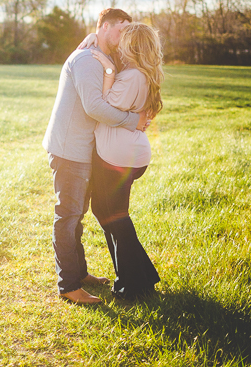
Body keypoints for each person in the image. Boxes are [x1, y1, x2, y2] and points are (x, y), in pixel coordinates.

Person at [42, 8, 148, 305]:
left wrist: (94, 36)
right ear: (104, 27)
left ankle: (80, 273)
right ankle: (68, 285)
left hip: (84, 149)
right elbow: (95, 107)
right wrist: (134, 121)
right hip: (69, 150)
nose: (124, 36)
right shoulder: (88, 59)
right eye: (120, 29)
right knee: (68, 216)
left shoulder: (104, 55)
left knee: (77, 215)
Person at [89, 22, 163, 300]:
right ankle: (141, 276)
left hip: (119, 156)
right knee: (104, 210)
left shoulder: (132, 76)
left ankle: (133, 285)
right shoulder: (138, 74)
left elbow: (103, 105)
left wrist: (108, 71)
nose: (118, 45)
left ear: (132, 47)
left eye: (124, 41)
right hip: (124, 153)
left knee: (116, 215)